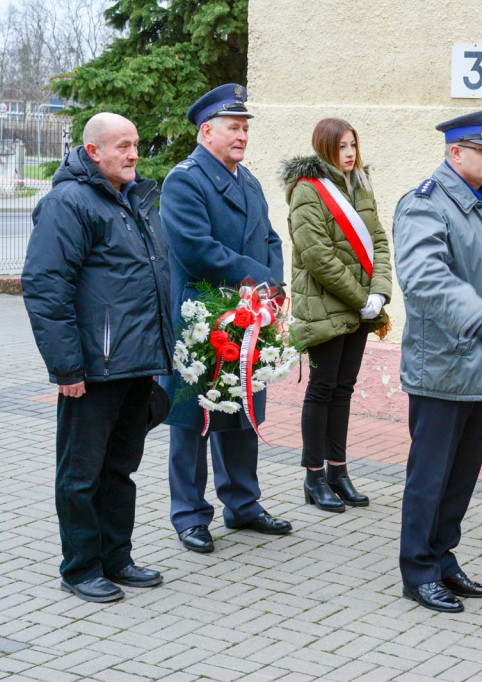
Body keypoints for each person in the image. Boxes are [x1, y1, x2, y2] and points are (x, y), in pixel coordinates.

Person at [22, 112, 173, 602]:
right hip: (92, 367)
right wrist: (66, 367)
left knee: (120, 469)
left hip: (135, 362)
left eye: (135, 145)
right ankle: (80, 567)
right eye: (122, 146)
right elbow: (47, 288)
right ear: (94, 152)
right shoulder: (69, 202)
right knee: (81, 473)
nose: (133, 155)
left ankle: (116, 557)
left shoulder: (135, 199)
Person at [392, 108, 482, 613]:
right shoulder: (426, 205)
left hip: (481, 363)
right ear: (455, 153)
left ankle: (444, 559)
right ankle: (418, 570)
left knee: (462, 474)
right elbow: (425, 278)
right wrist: (476, 318)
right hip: (443, 364)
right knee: (430, 477)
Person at [159, 84, 291, 554]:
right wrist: (257, 280)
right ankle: (190, 514)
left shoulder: (246, 179)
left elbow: (271, 238)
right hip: (202, 320)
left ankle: (242, 503)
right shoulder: (185, 180)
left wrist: (272, 287)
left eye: (245, 128)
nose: (242, 136)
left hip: (247, 316)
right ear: (206, 131)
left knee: (241, 410)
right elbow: (196, 249)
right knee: (192, 420)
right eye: (233, 128)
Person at [280, 118, 392, 512]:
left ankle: (338, 471)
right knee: (322, 388)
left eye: (353, 145)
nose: (349, 153)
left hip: (361, 307)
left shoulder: (360, 184)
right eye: (341, 146)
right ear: (324, 148)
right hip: (325, 306)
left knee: (343, 389)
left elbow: (378, 239)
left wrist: (379, 292)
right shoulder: (307, 192)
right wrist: (361, 297)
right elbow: (317, 256)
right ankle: (313, 476)